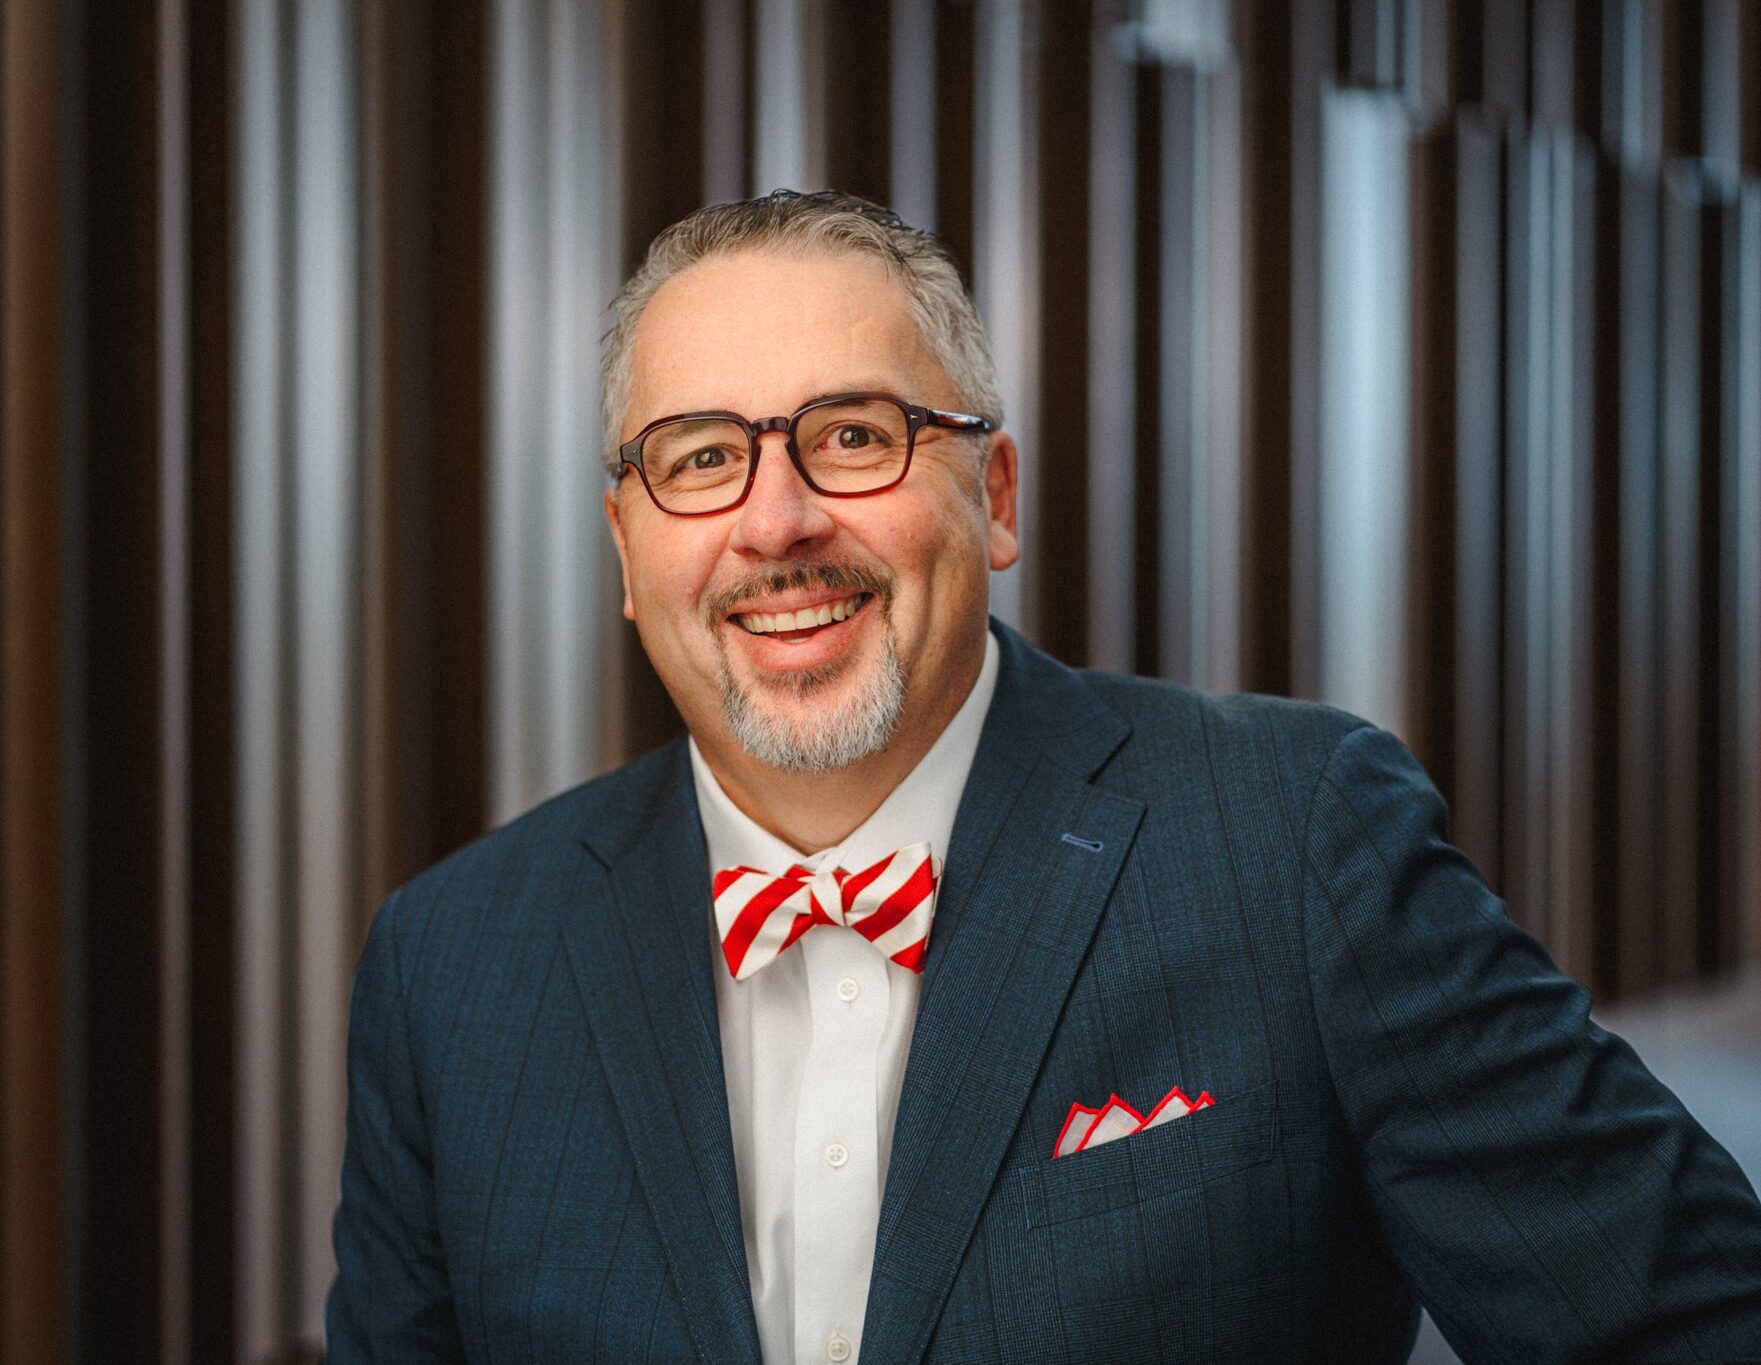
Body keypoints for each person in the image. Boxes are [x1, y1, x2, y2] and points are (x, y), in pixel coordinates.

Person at [326, 190, 1761, 1363]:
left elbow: (1684, 1322)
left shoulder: (1293, 838)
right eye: (700, 457)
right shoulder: (449, 965)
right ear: (627, 553)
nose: (776, 521)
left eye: (850, 436)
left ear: (994, 495)